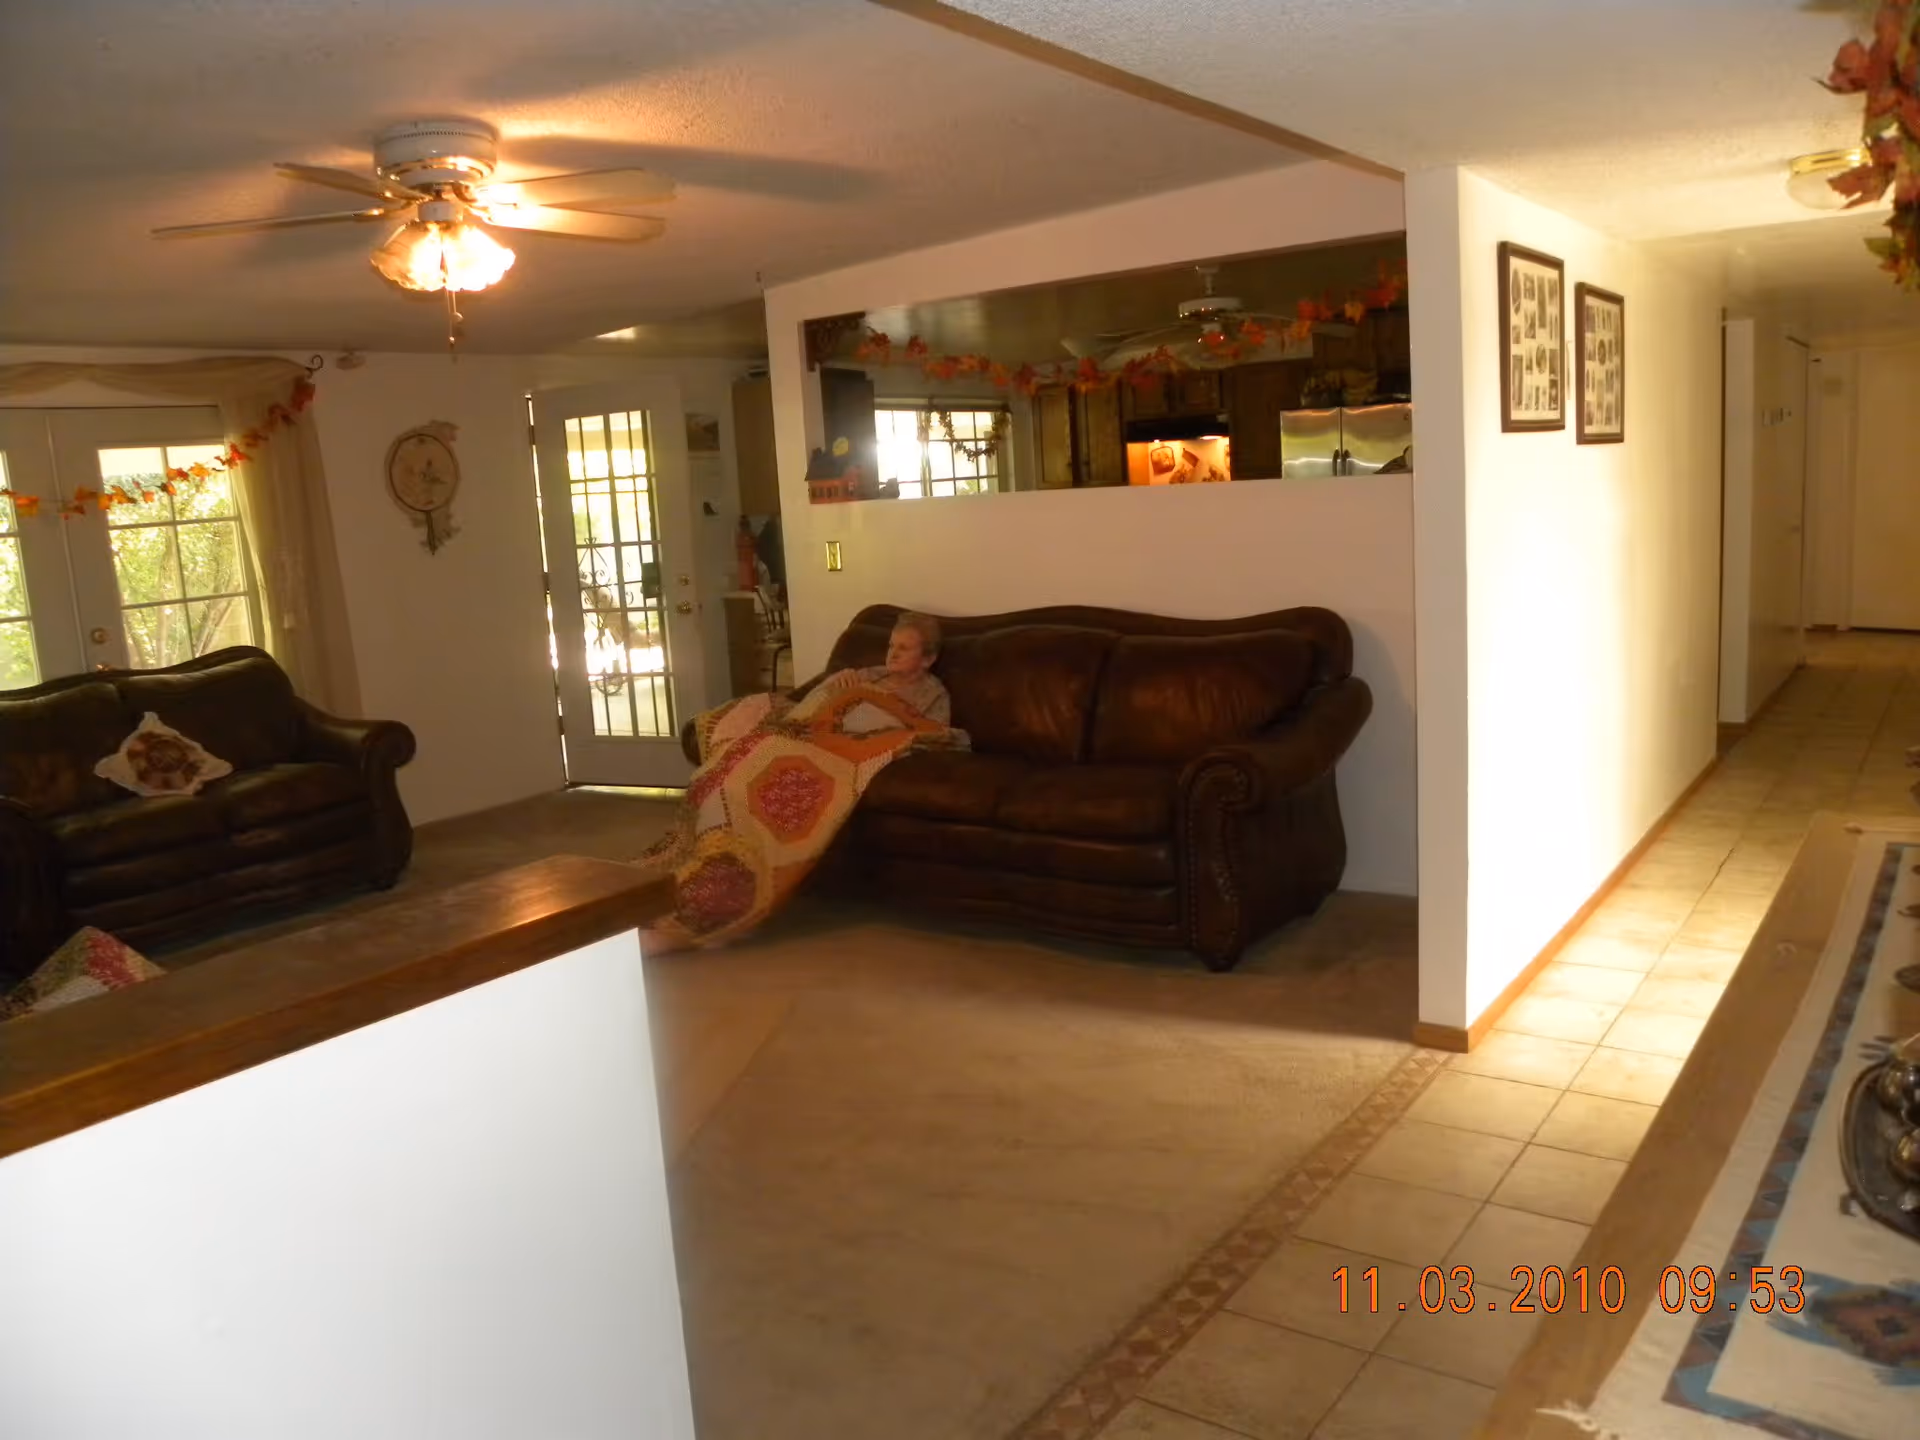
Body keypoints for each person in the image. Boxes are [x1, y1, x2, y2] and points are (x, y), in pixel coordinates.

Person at [638, 612, 964, 954]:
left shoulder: (932, 694)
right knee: (736, 766)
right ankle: (680, 875)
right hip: (811, 737)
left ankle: (711, 911)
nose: (892, 654)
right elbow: (816, 705)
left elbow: (935, 734)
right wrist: (836, 685)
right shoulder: (869, 674)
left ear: (929, 658)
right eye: (890, 645)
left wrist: (872, 719)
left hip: (838, 755)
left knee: (778, 778)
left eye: (904, 648)